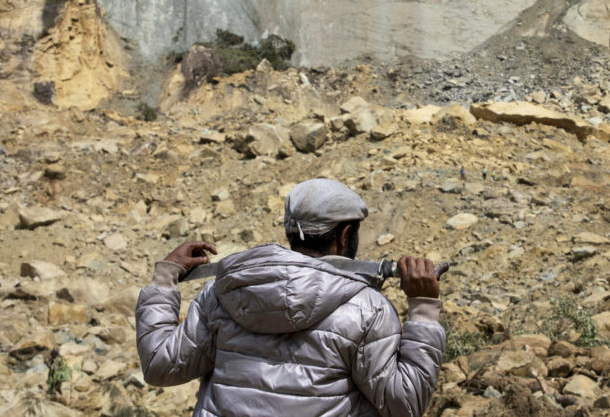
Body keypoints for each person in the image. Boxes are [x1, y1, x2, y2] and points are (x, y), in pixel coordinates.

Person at [135, 178, 445, 416]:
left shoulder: (222, 293)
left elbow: (160, 367)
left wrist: (166, 279)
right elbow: (404, 404)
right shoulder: (368, 310)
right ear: (345, 235)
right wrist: (423, 309)